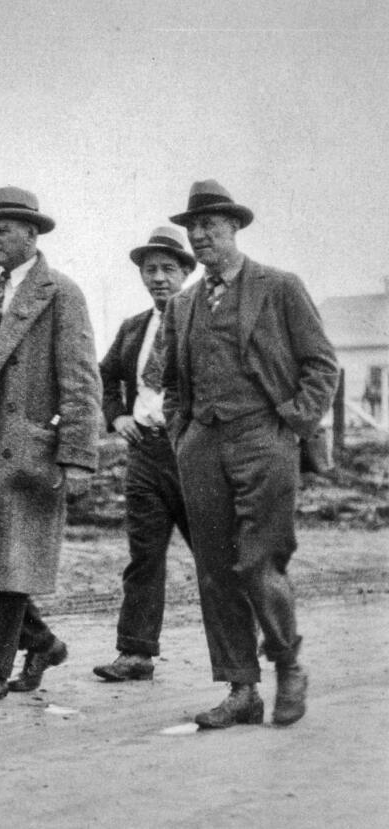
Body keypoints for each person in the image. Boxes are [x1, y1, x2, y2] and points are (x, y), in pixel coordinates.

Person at [162, 180, 338, 728]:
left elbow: (321, 365)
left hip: (264, 438)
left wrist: (290, 422)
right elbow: (172, 384)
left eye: (211, 225)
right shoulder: (183, 303)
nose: (199, 235)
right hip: (202, 445)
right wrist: (182, 433)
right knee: (214, 569)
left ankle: (288, 665)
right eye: (192, 228)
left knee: (259, 561)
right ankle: (241, 689)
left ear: (235, 227)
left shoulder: (279, 287)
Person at [0, 186, 101, 705]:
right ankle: (44, 644)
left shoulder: (60, 292)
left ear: (31, 235)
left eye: (5, 226)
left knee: (7, 563)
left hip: (26, 450)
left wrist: (77, 456)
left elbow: (82, 380)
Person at [93, 226, 195, 683]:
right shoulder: (134, 328)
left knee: (215, 555)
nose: (158, 278)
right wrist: (116, 417)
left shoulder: (202, 322)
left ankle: (244, 648)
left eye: (168, 269)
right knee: (144, 556)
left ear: (187, 273)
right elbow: (104, 373)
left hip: (192, 454)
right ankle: (135, 654)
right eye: (149, 270)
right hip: (145, 455)